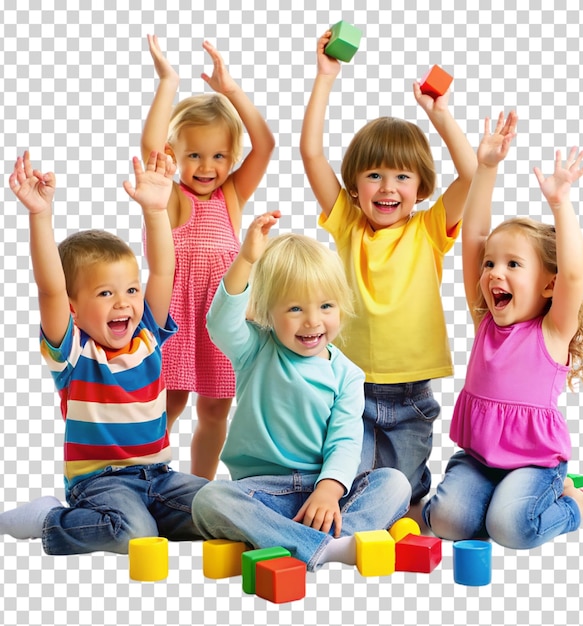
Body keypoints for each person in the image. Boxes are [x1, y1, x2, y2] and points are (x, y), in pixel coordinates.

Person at [421, 113, 583, 548]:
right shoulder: (486, 320)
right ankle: (495, 500)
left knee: (510, 529)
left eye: (513, 265)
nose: (494, 273)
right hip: (479, 460)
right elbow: (473, 236)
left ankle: (577, 502)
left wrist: (560, 203)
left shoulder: (553, 331)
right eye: (492, 264)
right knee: (447, 522)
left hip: (535, 463)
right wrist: (486, 167)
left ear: (546, 284)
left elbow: (572, 276)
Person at [299, 30, 477, 512]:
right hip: (349, 388)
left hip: (411, 395)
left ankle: (412, 505)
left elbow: (473, 174)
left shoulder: (430, 228)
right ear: (354, 186)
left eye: (402, 176)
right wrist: (325, 78)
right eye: (374, 174)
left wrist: (438, 114)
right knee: (347, 483)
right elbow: (311, 153)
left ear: (420, 187)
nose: (387, 187)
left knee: (402, 489)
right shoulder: (347, 223)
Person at [0, 150, 209, 554]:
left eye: (131, 290)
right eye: (105, 293)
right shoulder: (74, 354)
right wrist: (40, 216)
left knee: (221, 506)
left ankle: (156, 516)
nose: (124, 303)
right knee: (134, 535)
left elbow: (164, 270)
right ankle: (48, 519)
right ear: (74, 308)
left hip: (160, 477)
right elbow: (50, 288)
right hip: (100, 482)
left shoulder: (147, 333)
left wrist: (155, 209)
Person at [190, 211, 411, 571]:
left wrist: (329, 490)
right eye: (295, 308)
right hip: (264, 493)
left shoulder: (347, 375)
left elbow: (344, 442)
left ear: (342, 306)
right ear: (266, 313)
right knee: (209, 498)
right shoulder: (255, 349)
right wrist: (245, 259)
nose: (313, 321)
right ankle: (324, 547)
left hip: (324, 492)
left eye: (326, 306)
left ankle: (320, 539)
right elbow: (219, 322)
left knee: (395, 483)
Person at [142, 34, 275, 479]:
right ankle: (143, 471)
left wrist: (230, 90)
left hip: (222, 315)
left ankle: (199, 488)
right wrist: (169, 82)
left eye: (219, 156)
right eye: (194, 155)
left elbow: (266, 145)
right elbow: (149, 149)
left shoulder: (231, 195)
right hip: (178, 315)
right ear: (175, 156)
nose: (206, 166)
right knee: (170, 400)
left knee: (216, 406)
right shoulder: (174, 197)